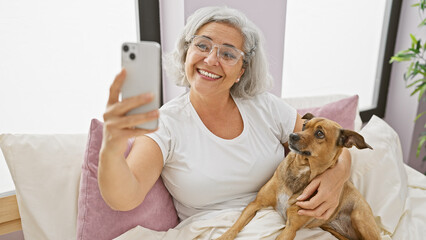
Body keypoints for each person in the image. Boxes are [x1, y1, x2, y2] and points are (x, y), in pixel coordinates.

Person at [98, 6, 352, 223]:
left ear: (242, 70)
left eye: (228, 53)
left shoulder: (264, 106)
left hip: (278, 223)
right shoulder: (165, 123)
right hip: (213, 231)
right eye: (202, 45)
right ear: (187, 52)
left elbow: (332, 146)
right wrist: (111, 148)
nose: (210, 60)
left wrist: (337, 176)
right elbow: (125, 198)